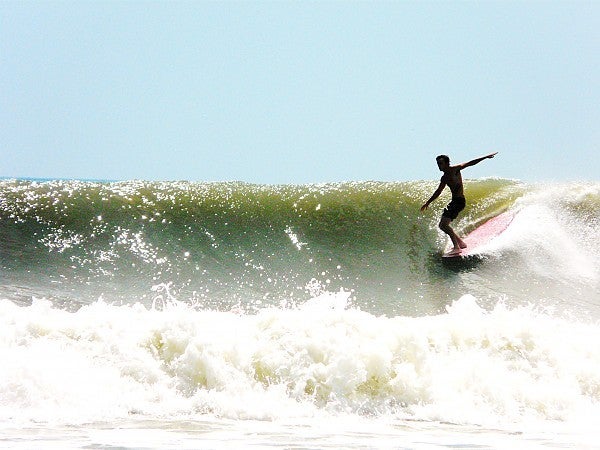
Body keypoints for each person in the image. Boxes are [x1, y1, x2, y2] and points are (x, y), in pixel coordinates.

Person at [420, 152, 498, 254]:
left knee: (444, 225)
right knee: (442, 225)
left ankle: (457, 247)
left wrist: (485, 157)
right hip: (454, 201)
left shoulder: (455, 169)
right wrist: (428, 202)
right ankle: (460, 243)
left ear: (447, 163)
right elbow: (438, 191)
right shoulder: (444, 178)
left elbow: (471, 163)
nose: (439, 165)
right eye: (438, 163)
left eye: (441, 163)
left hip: (459, 201)